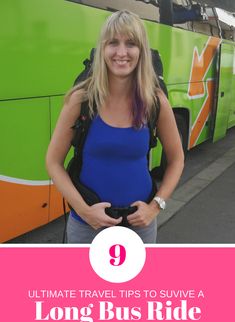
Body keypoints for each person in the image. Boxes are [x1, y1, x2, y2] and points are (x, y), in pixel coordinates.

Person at [46, 9, 184, 244]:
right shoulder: (81, 100)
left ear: (141, 51)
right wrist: (85, 211)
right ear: (102, 49)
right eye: (113, 43)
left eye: (131, 44)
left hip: (140, 227)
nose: (122, 52)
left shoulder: (155, 101)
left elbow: (177, 159)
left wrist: (155, 207)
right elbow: (53, 162)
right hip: (87, 226)